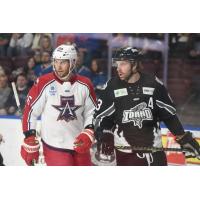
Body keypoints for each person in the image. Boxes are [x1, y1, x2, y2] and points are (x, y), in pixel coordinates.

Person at [93, 47, 200, 166]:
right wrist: (105, 134)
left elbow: (169, 116)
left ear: (135, 65)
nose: (118, 68)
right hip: (126, 154)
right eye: (117, 64)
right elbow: (101, 117)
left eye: (123, 64)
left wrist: (184, 138)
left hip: (155, 153)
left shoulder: (154, 84)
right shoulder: (112, 86)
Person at [21, 44, 96, 166]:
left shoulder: (85, 84)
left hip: (80, 144)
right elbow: (30, 112)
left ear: (72, 62)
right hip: (54, 146)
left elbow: (92, 112)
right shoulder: (43, 82)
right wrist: (29, 137)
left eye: (63, 62)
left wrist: (89, 131)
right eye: (56, 62)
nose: (58, 67)